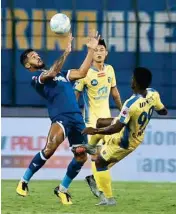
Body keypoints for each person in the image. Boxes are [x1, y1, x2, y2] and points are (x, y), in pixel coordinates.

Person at [16, 32, 100, 205]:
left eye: (37, 54)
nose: (37, 56)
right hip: (61, 118)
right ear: (27, 65)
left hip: (77, 118)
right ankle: (23, 181)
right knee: (50, 147)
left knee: (81, 157)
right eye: (33, 57)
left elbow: (83, 72)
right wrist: (67, 51)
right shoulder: (37, 78)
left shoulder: (63, 74)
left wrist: (91, 50)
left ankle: (62, 189)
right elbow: (53, 71)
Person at [83, 67, 168, 205]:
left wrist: (94, 131)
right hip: (134, 130)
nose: (131, 80)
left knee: (100, 162)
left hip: (125, 141)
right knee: (100, 122)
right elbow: (163, 111)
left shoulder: (130, 104)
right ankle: (91, 147)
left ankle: (109, 199)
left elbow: (115, 129)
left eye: (132, 78)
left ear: (136, 83)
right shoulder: (153, 94)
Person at [74, 38, 122, 199]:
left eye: (102, 50)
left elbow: (114, 93)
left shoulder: (110, 70)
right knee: (98, 156)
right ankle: (103, 193)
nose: (99, 52)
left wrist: (123, 112)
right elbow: (75, 96)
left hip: (107, 122)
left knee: (114, 153)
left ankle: (94, 179)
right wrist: (73, 117)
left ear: (106, 53)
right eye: (96, 50)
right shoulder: (85, 72)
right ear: (91, 53)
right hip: (91, 123)